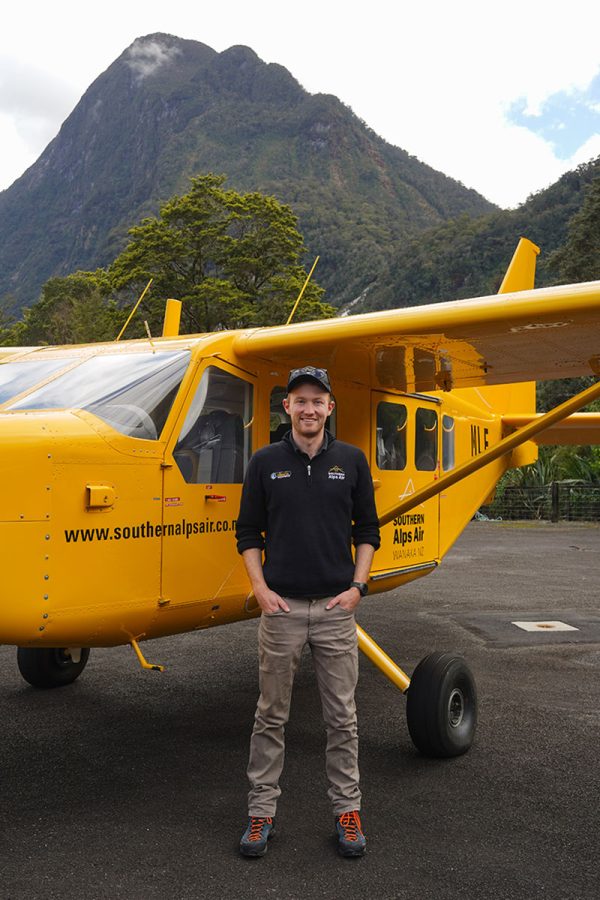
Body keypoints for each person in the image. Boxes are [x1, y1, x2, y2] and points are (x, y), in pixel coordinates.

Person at [235, 365, 380, 858]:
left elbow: (368, 532)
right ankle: (261, 814)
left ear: (329, 408)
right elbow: (248, 532)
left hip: (337, 609)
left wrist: (358, 587)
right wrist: (259, 588)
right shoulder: (264, 462)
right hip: (282, 610)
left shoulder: (352, 461)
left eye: (318, 400)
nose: (309, 408)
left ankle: (347, 810)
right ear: (287, 407)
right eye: (300, 400)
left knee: (343, 717)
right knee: (270, 715)